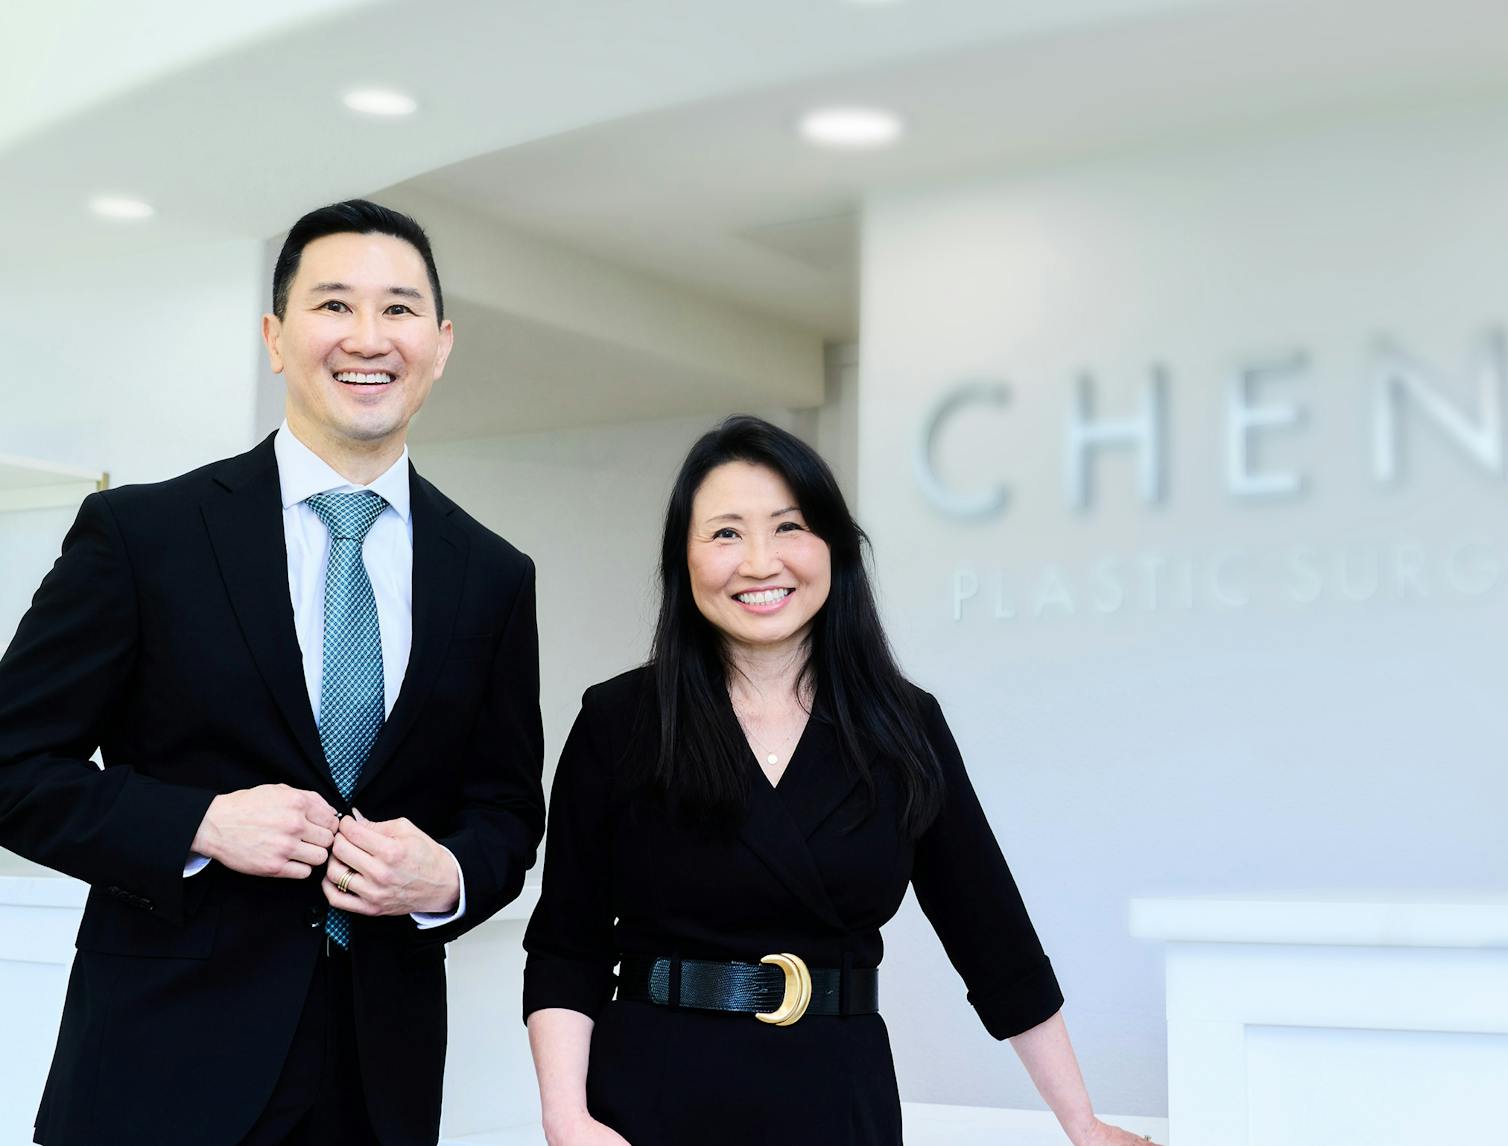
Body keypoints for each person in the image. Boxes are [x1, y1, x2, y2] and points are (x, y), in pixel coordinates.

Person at [0, 199, 546, 1146]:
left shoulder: (492, 574)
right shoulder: (144, 536)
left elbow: (505, 810)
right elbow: (12, 765)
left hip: (378, 1083)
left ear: (441, 344)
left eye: (400, 309)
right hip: (158, 1069)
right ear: (276, 338)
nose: (368, 337)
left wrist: (447, 875)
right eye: (333, 305)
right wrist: (200, 823)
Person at [523, 416, 1147, 1146]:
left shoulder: (905, 726)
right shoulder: (620, 719)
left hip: (837, 1100)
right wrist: (567, 1120)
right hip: (650, 1099)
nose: (760, 562)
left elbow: (994, 939)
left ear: (834, 548)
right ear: (682, 559)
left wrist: (1083, 1124)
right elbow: (566, 945)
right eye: (725, 534)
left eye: (788, 527)